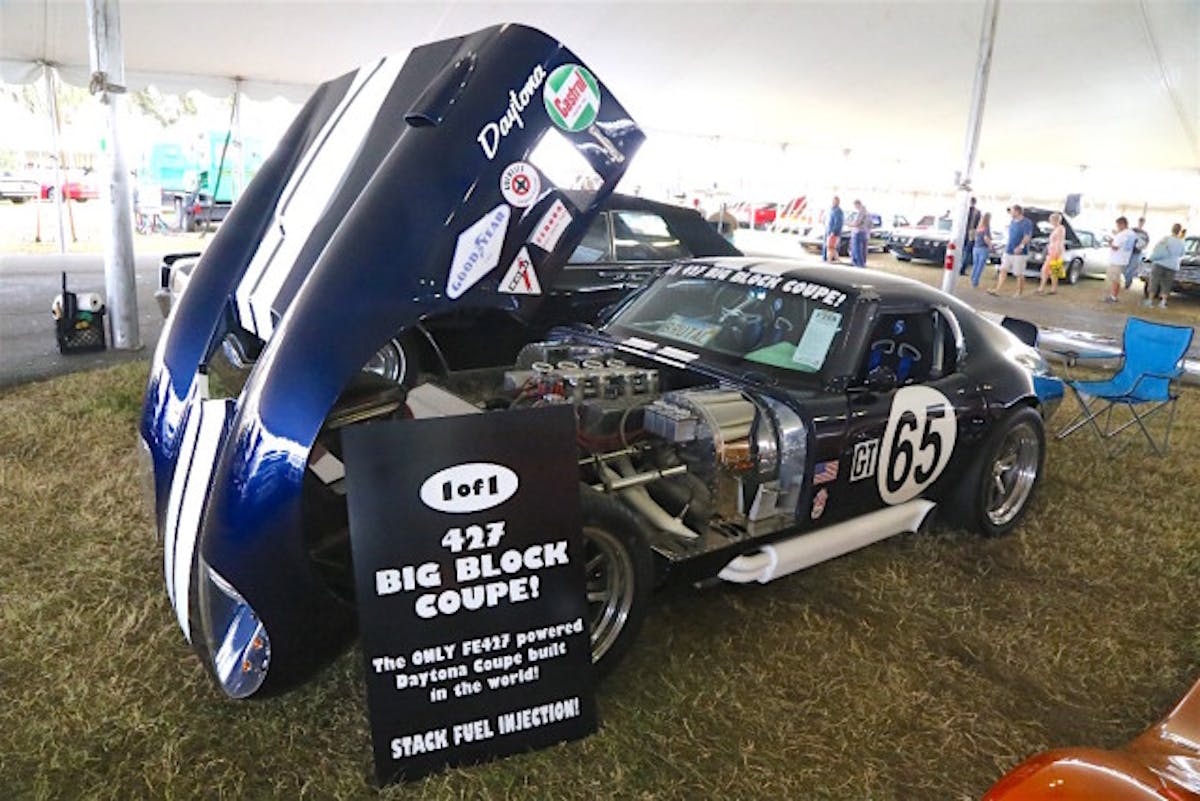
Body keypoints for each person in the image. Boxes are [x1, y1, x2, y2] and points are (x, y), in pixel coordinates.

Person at [988, 205, 1033, 297]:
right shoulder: (1012, 222)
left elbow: (1027, 236)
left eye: (1012, 211)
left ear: (1017, 211)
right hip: (1009, 250)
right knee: (1003, 270)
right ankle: (997, 289)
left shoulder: (1026, 223)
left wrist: (1021, 246)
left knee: (1018, 273)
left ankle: (1019, 292)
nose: (1010, 213)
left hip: (1020, 253)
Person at [1143, 223, 1184, 308]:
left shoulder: (1165, 239)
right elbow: (1181, 254)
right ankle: (1163, 302)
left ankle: (1150, 300)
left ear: (1172, 229)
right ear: (1180, 231)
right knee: (1167, 284)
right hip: (1172, 265)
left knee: (1154, 281)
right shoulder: (1181, 242)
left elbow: (1156, 249)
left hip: (1160, 263)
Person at [1104, 216, 1137, 303]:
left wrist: (1110, 242)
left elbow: (1115, 247)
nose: (1117, 227)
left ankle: (1113, 296)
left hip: (1116, 259)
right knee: (1117, 278)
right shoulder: (1132, 234)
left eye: (1118, 225)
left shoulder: (1122, 234)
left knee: (1114, 279)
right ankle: (1114, 295)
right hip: (1125, 259)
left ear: (1122, 224)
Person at [1036, 212, 1066, 295]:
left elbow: (1059, 241)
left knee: (1050, 270)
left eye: (1051, 220)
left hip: (1055, 252)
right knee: (1049, 270)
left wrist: (1056, 252)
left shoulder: (1060, 229)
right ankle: (1047, 288)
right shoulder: (1056, 229)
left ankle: (1047, 288)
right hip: (1052, 251)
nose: (1050, 221)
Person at [1124, 216, 1150, 290]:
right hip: (1129, 251)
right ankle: (1127, 279)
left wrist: (1143, 246)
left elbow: (1146, 242)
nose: (1141, 223)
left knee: (1132, 267)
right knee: (1126, 267)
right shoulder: (1133, 230)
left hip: (1137, 252)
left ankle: (1128, 283)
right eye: (1140, 222)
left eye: (1142, 222)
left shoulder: (1145, 233)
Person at [970, 211, 992, 288]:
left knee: (975, 265)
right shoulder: (986, 228)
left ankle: (972, 279)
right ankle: (975, 282)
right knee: (980, 266)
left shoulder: (979, 227)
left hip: (976, 247)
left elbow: (973, 236)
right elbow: (986, 238)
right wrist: (990, 246)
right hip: (983, 248)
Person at [961, 197, 981, 275]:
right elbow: (978, 224)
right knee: (967, 252)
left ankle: (958, 267)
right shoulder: (977, 212)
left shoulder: (963, 211)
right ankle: (962, 269)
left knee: (961, 251)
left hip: (962, 232)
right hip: (971, 233)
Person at [849, 199, 870, 267]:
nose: (855, 207)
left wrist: (849, 224)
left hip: (859, 232)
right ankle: (862, 263)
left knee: (857, 250)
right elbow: (870, 224)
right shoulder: (867, 212)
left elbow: (857, 222)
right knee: (863, 250)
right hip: (865, 233)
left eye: (855, 206)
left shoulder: (861, 211)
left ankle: (859, 265)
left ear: (857, 204)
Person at [824, 196, 844, 263]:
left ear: (838, 202)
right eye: (832, 201)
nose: (833, 202)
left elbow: (838, 222)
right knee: (831, 247)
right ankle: (837, 259)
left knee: (830, 247)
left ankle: (829, 260)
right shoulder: (832, 210)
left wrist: (833, 231)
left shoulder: (838, 211)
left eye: (834, 201)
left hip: (834, 232)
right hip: (829, 231)